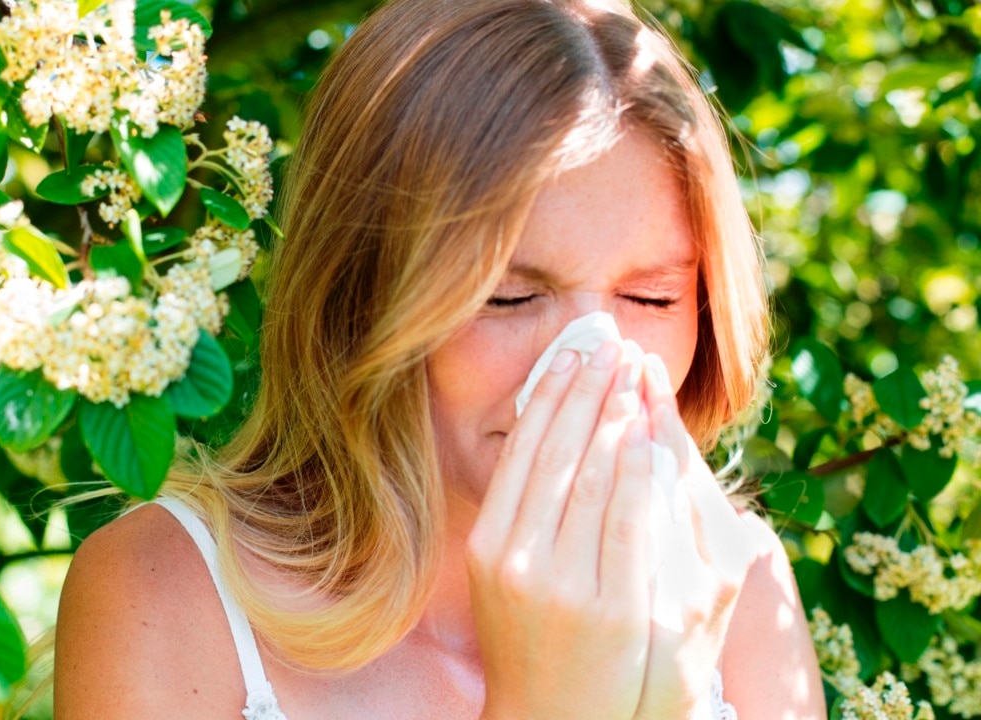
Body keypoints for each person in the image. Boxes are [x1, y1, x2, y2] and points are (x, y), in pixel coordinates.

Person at [54, 0, 826, 717]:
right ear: (359, 297)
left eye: (652, 299)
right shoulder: (162, 591)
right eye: (507, 298)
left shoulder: (741, 585)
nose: (593, 363)